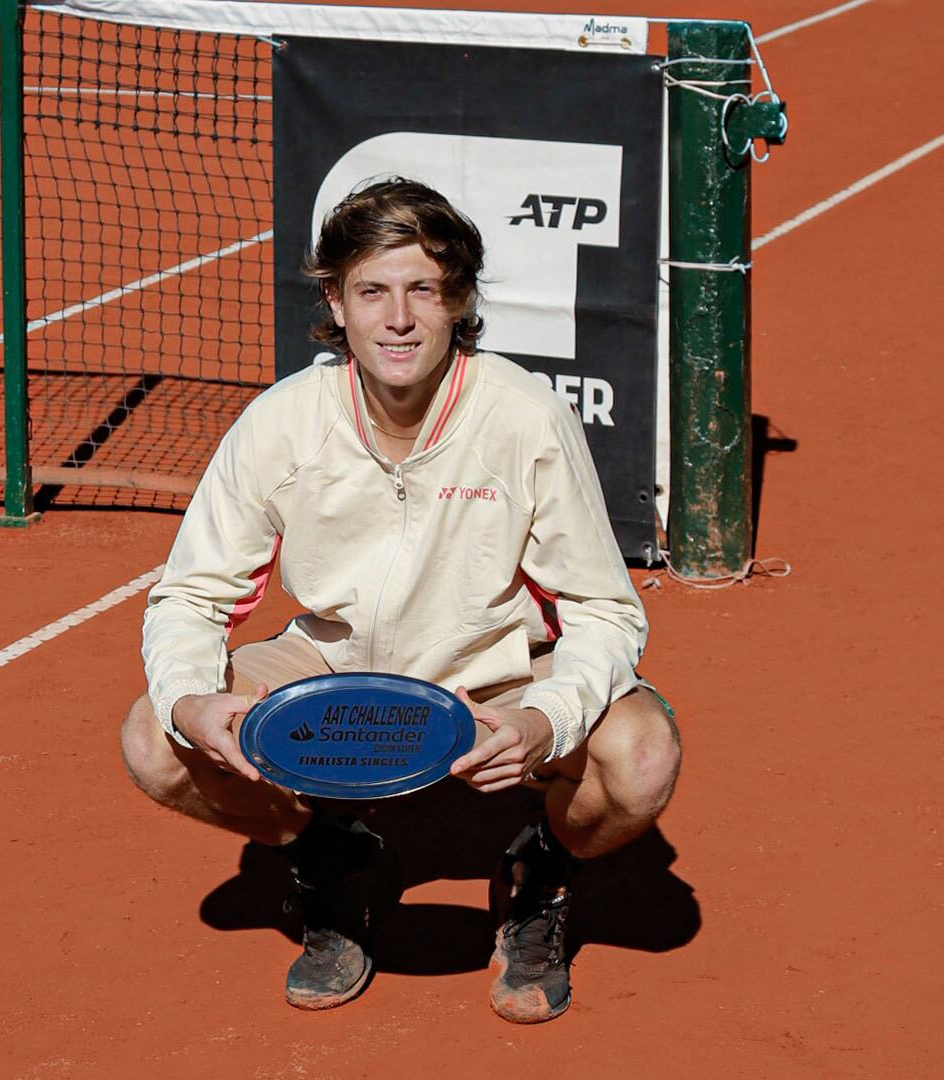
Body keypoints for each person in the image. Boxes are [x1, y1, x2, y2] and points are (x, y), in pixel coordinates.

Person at [120, 177, 679, 1023]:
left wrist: (547, 719)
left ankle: (541, 871)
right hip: (332, 661)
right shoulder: (282, 422)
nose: (400, 318)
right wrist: (190, 701)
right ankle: (336, 859)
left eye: (424, 289)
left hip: (496, 667)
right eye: (372, 291)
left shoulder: (524, 420)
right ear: (336, 304)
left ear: (459, 302)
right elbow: (192, 594)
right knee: (154, 740)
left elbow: (604, 610)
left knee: (641, 761)